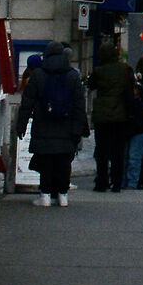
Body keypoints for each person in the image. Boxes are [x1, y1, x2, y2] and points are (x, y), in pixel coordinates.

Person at [18, 42, 87, 207]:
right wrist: (80, 128)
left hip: (43, 125)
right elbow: (79, 104)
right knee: (64, 162)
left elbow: (27, 102)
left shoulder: (38, 75)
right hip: (66, 125)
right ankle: (63, 195)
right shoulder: (72, 75)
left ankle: (45, 195)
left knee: (45, 161)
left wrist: (20, 124)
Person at [88, 35, 138, 193]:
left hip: (102, 114)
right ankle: (117, 182)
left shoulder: (98, 71)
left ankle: (101, 182)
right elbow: (130, 91)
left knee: (102, 150)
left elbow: (91, 86)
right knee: (118, 151)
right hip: (120, 113)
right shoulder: (124, 69)